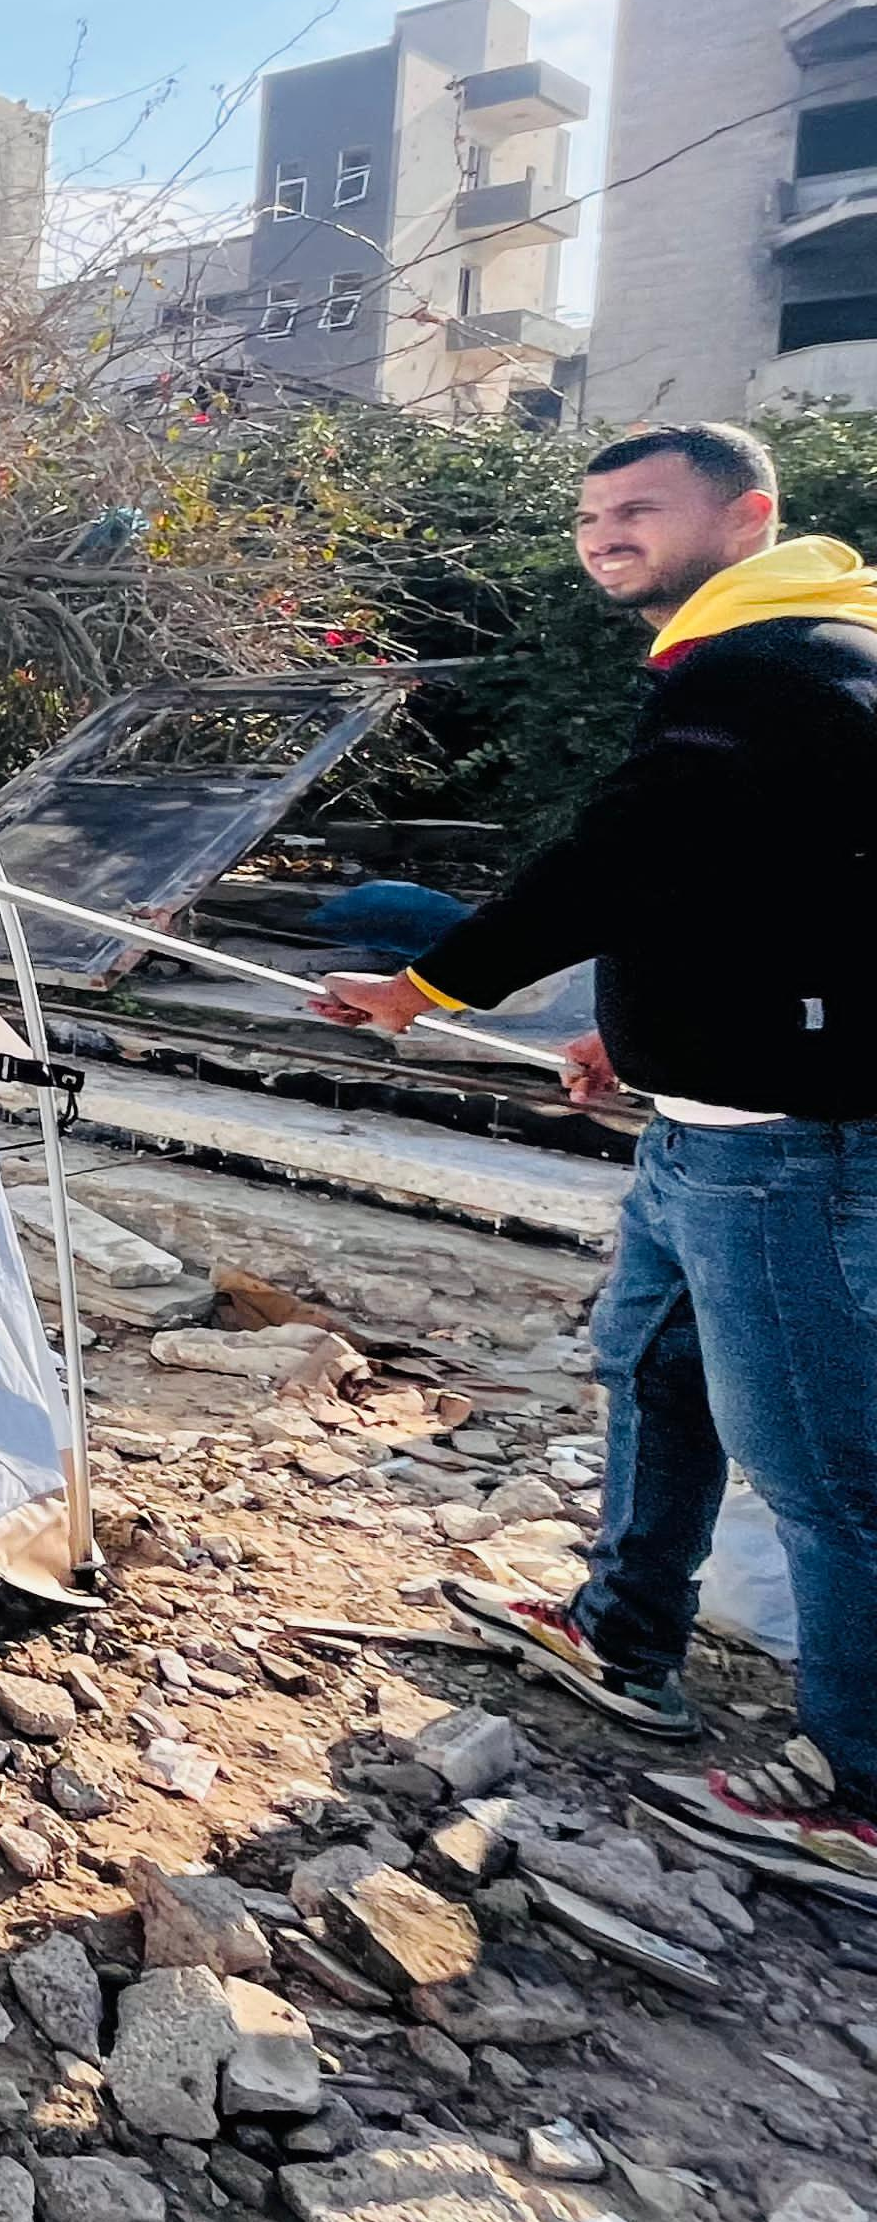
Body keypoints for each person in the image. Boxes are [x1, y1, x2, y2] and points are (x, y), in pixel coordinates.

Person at [314, 422, 877, 1884]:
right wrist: (638, 1039)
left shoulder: (773, 668)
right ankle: (625, 1639)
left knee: (825, 1472)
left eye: (640, 509)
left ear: (747, 516)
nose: (606, 534)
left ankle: (860, 1789)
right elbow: (750, 893)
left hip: (793, 1149)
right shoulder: (772, 664)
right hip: (711, 1130)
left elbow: (619, 861)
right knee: (655, 1379)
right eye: (590, 515)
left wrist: (430, 986)